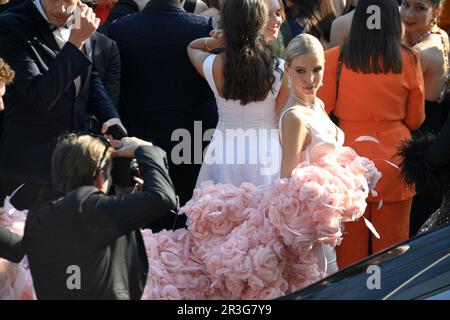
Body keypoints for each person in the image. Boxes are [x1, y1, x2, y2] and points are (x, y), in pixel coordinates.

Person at [318, 0, 425, 269]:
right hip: (394, 162)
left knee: (348, 256)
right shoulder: (410, 59)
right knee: (391, 257)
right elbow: (416, 118)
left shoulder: (335, 58)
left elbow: (323, 109)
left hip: (347, 164)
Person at [0, 0, 124, 210]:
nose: (61, 8)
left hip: (71, 166)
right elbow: (41, 96)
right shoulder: (9, 25)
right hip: (28, 165)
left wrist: (110, 118)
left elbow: (88, 76)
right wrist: (75, 42)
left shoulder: (80, 19)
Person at [22, 134, 177, 299]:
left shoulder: (39, 213)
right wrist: (144, 149)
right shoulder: (87, 209)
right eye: (110, 173)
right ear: (101, 176)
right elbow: (163, 198)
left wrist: (131, 199)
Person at [188, 0, 289, 188]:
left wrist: (216, 41)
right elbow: (283, 117)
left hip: (224, 150)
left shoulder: (213, 65)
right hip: (266, 152)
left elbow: (193, 47)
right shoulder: (281, 69)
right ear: (259, 23)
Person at [279, 33, 341, 276]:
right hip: (308, 223)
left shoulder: (318, 105)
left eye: (316, 69)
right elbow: (287, 180)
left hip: (326, 217)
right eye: (301, 70)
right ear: (287, 70)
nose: (311, 79)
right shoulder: (294, 117)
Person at [401, 0, 450, 235]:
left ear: (437, 10)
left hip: (423, 149)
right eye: (405, 5)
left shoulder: (419, 53)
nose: (409, 14)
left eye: (419, 8)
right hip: (436, 138)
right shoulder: (442, 37)